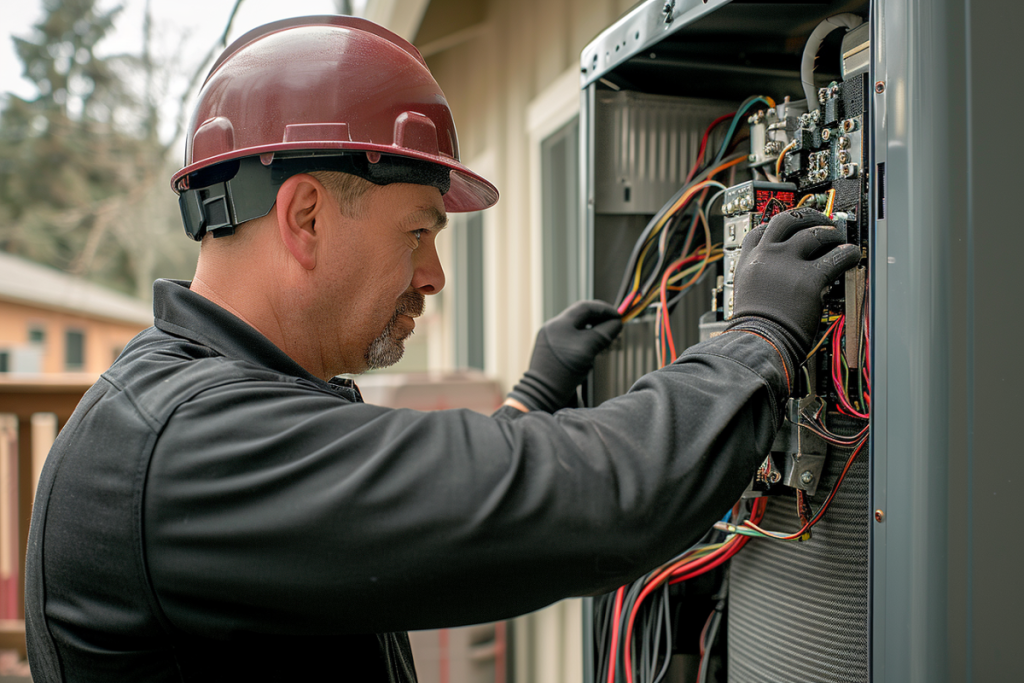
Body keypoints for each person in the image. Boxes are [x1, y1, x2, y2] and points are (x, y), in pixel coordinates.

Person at [24, 15, 860, 683]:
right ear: (306, 216)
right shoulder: (183, 451)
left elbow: (398, 507)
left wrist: (533, 396)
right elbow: (588, 500)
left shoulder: (196, 410)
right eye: (419, 231)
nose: (433, 275)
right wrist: (760, 340)